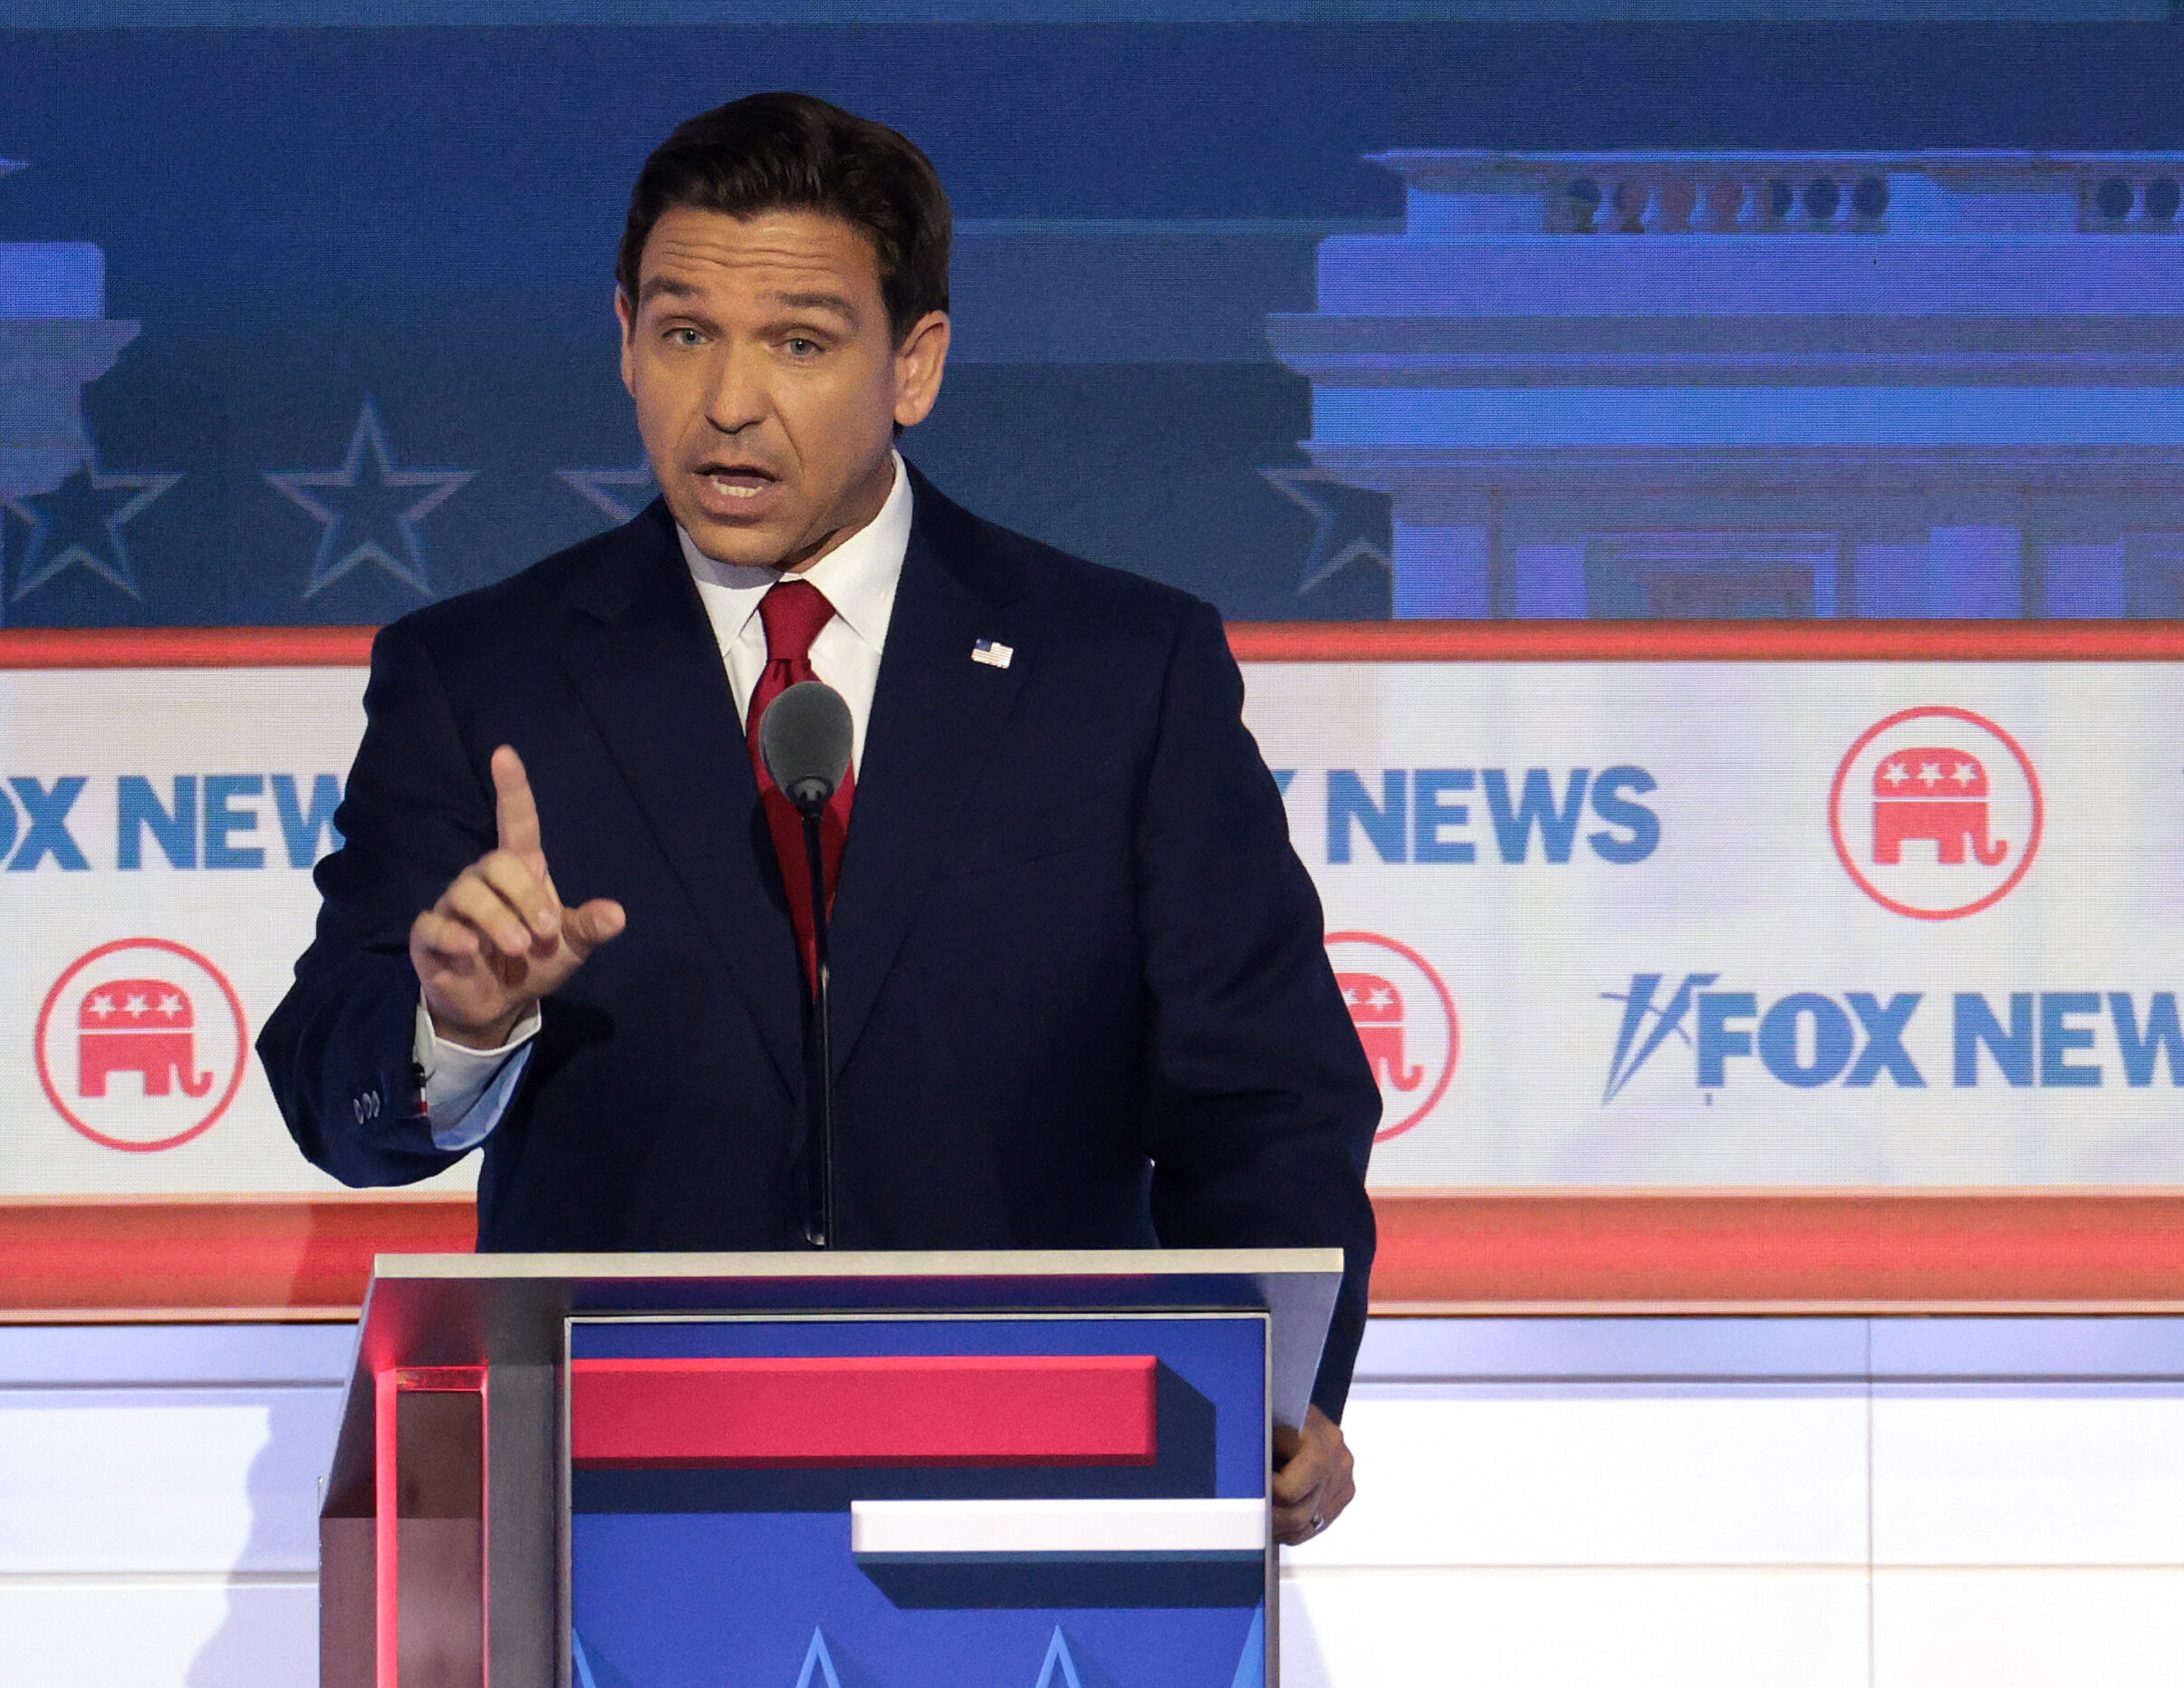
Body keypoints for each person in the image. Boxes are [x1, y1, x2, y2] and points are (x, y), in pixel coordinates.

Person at [258, 92, 1376, 1543]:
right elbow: (329, 1087)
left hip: (1049, 1486)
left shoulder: (1120, 670)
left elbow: (1266, 1092)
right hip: (621, 1506)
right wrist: (456, 1026)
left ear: (914, 364)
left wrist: (1278, 1388)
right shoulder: (482, 675)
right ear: (624, 340)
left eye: (798, 341)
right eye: (681, 333)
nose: (727, 401)